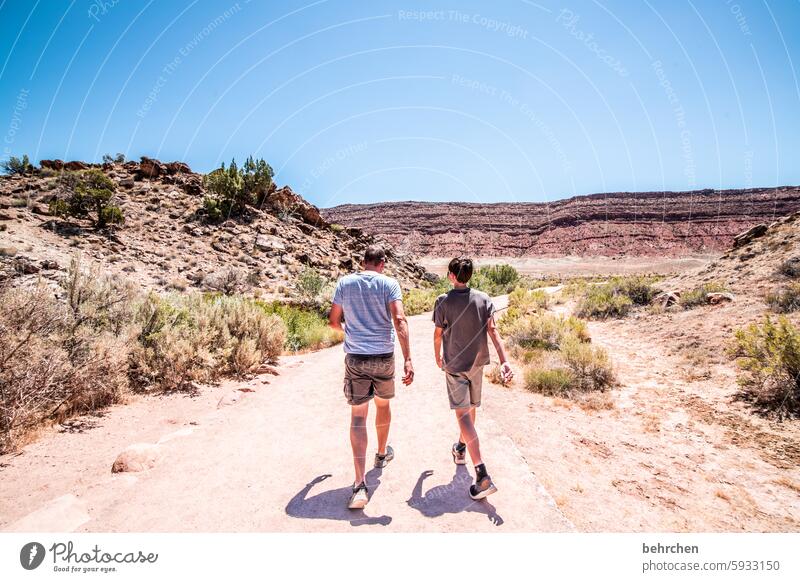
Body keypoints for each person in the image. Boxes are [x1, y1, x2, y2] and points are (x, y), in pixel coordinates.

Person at [329, 245, 414, 509]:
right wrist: (408, 357)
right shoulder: (390, 284)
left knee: (358, 416)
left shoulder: (345, 283)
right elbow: (399, 320)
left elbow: (333, 321)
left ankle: (359, 484)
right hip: (384, 356)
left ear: (363, 261)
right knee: (383, 405)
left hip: (356, 357)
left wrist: (351, 330)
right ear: (383, 263)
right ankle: (380, 454)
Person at [433, 257, 513, 500]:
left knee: (463, 415)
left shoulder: (443, 301)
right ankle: (460, 448)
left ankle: (481, 474)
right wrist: (504, 359)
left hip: (455, 365)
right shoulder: (484, 299)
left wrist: (437, 356)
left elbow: (438, 335)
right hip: (477, 364)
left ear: (452, 276)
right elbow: (494, 332)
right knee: (470, 410)